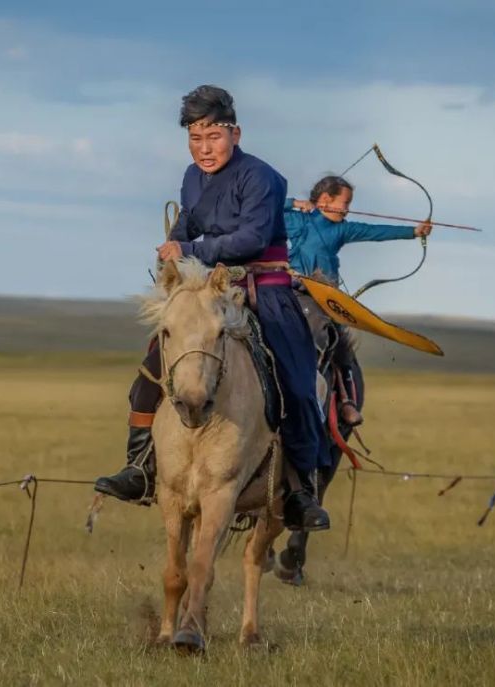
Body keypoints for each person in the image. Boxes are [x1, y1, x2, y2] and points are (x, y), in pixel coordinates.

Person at [94, 85, 331, 532]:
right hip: (204, 293)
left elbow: (252, 239)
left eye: (213, 137)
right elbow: (188, 221)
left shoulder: (263, 178)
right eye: (195, 138)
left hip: (263, 289)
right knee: (151, 371)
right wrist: (171, 250)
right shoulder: (190, 177)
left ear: (235, 133)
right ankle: (141, 467)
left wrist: (189, 246)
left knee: (298, 383)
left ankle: (301, 491)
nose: (204, 148)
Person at [285, 176, 432, 426]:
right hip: (293, 289)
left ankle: (345, 400)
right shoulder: (299, 222)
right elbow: (265, 208)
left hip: (326, 296)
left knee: (340, 342)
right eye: (345, 202)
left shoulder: (342, 229)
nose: (347, 208)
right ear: (324, 200)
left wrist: (413, 231)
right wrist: (294, 203)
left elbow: (374, 231)